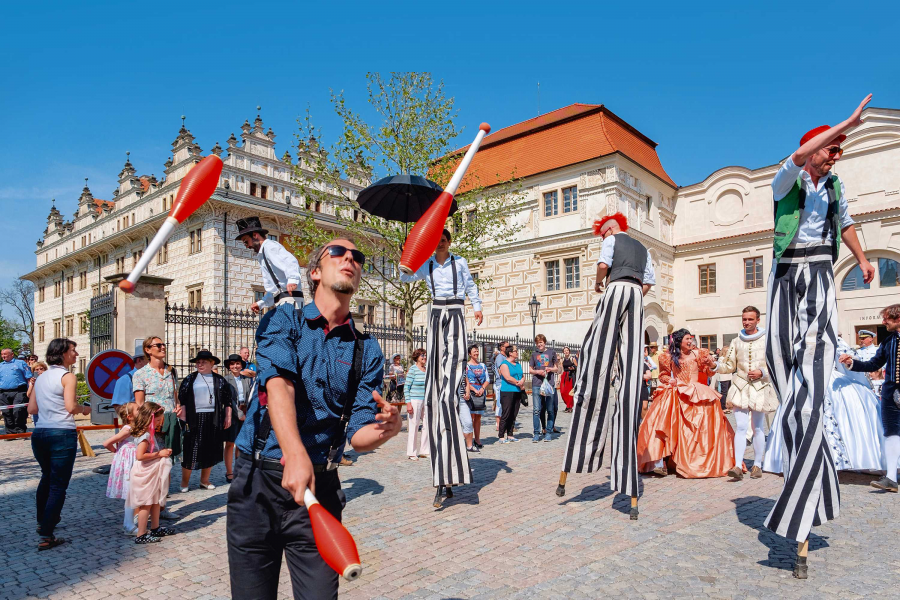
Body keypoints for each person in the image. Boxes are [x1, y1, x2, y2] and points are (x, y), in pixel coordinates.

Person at [228, 237, 401, 600]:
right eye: (338, 253)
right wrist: (294, 453)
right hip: (259, 482)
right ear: (316, 272)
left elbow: (358, 433)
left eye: (358, 256)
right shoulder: (285, 320)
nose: (350, 259)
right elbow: (279, 386)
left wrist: (386, 430)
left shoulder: (366, 349)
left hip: (320, 490)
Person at [764, 95, 875, 579]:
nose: (836, 155)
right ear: (812, 148)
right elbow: (795, 159)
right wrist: (847, 121)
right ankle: (806, 468)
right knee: (784, 383)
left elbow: (846, 224)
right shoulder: (786, 179)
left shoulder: (834, 185)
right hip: (786, 274)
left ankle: (803, 494)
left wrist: (866, 260)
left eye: (839, 149)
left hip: (820, 274)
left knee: (810, 393)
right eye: (831, 148)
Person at [557, 212, 655, 521]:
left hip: (616, 289)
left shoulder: (612, 240)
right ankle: (629, 485)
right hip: (637, 295)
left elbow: (602, 266)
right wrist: (635, 297)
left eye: (602, 234)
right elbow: (649, 280)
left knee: (595, 349)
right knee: (630, 358)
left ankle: (578, 458)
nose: (603, 238)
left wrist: (601, 284)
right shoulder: (643, 248)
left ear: (609, 229)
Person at [399, 228, 482, 506]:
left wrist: (478, 307)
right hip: (436, 313)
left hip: (457, 311)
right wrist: (405, 259)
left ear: (449, 241)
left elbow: (471, 286)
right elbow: (405, 277)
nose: (441, 242)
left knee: (447, 396)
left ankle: (449, 475)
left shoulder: (460, 262)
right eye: (437, 240)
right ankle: (443, 478)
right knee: (436, 400)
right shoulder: (428, 264)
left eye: (444, 239)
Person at [768, 336, 888, 474]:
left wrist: (846, 358)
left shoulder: (832, 337)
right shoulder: (797, 337)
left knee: (842, 415)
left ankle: (842, 459)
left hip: (830, 380)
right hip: (803, 380)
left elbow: (852, 357)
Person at [637, 329, 735, 478]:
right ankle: (660, 461)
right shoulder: (667, 356)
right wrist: (669, 380)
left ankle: (695, 460)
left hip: (696, 392)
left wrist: (710, 364)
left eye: (691, 338)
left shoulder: (698, 354)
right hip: (677, 391)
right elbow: (663, 375)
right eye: (687, 339)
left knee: (697, 427)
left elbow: (708, 373)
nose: (690, 341)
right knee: (662, 421)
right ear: (678, 341)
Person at [26, 338, 91, 550]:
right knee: (58, 484)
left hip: (40, 433)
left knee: (46, 478)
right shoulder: (68, 376)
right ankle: (47, 533)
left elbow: (32, 410)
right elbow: (71, 406)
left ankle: (41, 522)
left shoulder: (41, 377)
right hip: (61, 433)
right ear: (62, 353)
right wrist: (85, 409)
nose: (76, 354)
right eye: (73, 350)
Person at [840, 304, 900, 491]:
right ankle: (891, 477)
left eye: (887, 319)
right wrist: (851, 363)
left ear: (898, 318)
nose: (883, 322)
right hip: (890, 393)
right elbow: (873, 363)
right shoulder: (888, 341)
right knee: (891, 432)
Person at [716, 306, 778, 480]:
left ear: (758, 320)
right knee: (741, 427)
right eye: (744, 319)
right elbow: (729, 366)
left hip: (759, 387)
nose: (747, 322)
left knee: (758, 428)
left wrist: (762, 372)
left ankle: (757, 464)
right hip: (741, 387)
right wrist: (714, 366)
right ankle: (737, 465)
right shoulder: (737, 341)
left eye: (750, 319)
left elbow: (775, 363)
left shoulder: (767, 340)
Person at [131, 336, 180, 521]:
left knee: (167, 467)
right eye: (157, 345)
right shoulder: (141, 374)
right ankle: (140, 513)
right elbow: (140, 404)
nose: (162, 347)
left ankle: (161, 507)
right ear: (148, 350)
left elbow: (175, 397)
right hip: (153, 426)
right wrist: (146, 428)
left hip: (170, 424)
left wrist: (178, 406)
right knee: (151, 469)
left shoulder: (170, 371)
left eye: (163, 344)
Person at [177, 350, 233, 492]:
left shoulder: (219, 380)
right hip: (194, 418)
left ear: (211, 363)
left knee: (211, 449)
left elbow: (228, 401)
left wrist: (228, 417)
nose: (200, 364)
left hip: (213, 418)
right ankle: (184, 483)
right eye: (198, 362)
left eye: (203, 362)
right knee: (191, 450)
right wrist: (183, 419)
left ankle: (204, 480)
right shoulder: (190, 379)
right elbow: (182, 399)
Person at [128, 401, 175, 544]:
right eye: (159, 420)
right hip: (145, 472)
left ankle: (156, 527)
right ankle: (141, 533)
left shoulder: (149, 433)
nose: (161, 423)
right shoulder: (145, 436)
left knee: (155, 501)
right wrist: (159, 454)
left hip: (151, 471)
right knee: (146, 503)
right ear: (151, 419)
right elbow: (140, 456)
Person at [238, 216, 303, 316]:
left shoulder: (270, 246)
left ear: (255, 235)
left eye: (246, 241)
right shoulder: (263, 253)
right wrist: (261, 303)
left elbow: (291, 261)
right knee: (265, 326)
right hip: (283, 302)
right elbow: (274, 289)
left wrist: (292, 279)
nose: (246, 246)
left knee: (270, 329)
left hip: (290, 301)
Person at [103, 402, 138, 535]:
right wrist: (118, 452)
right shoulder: (128, 429)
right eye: (137, 410)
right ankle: (128, 524)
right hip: (128, 461)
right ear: (129, 416)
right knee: (130, 492)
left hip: (131, 460)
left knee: (133, 491)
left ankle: (129, 522)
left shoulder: (132, 427)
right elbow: (106, 443)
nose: (140, 411)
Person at [223, 353, 252, 482]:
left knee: (241, 444)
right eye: (232, 364)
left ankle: (239, 470)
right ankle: (229, 472)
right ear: (229, 366)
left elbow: (250, 396)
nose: (235, 366)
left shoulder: (246, 379)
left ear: (241, 365)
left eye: (237, 364)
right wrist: (239, 415)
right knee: (230, 443)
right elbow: (228, 400)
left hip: (245, 412)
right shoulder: (225, 379)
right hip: (232, 414)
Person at [530, 334, 559, 443]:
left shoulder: (551, 352)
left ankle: (548, 432)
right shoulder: (534, 354)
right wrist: (538, 371)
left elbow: (557, 368)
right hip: (537, 384)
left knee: (550, 409)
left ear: (544, 342)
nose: (539, 345)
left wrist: (550, 369)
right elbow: (530, 370)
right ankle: (536, 433)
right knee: (536, 410)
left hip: (549, 384)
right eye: (537, 343)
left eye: (541, 342)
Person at [497, 345, 525, 445]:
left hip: (517, 391)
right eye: (515, 351)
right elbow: (507, 377)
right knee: (506, 413)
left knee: (514, 413)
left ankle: (510, 434)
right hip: (507, 391)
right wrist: (518, 382)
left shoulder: (518, 364)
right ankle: (501, 436)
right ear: (510, 353)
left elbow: (522, 375)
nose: (517, 352)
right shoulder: (504, 364)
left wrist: (522, 381)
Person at [462, 344, 488, 451]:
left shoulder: (482, 365)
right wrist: (474, 389)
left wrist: (482, 388)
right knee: (470, 417)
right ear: (469, 354)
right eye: (474, 351)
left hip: (481, 393)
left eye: (477, 351)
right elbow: (465, 381)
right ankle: (469, 440)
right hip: (472, 393)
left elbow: (487, 379)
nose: (476, 353)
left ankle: (477, 439)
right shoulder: (466, 366)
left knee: (478, 417)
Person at [1, 347, 32, 434]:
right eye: (2, 354)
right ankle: (10, 432)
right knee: (6, 412)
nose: (3, 356)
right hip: (3, 392)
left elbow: (29, 377)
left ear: (12, 354)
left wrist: (29, 391)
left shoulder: (20, 363)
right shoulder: (1, 366)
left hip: (19, 391)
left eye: (5, 354)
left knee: (18, 411)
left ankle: (20, 430)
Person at [405, 348, 429, 460]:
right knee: (414, 425)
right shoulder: (413, 369)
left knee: (427, 424)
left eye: (425, 355)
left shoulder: (427, 370)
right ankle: (411, 452)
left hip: (426, 400)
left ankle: (424, 450)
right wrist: (408, 403)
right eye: (422, 356)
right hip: (415, 400)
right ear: (417, 358)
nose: (424, 357)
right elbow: (406, 387)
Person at [493, 341, 509, 430]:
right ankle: (498, 424)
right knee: (499, 403)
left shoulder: (505, 357)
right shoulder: (500, 357)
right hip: (500, 383)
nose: (508, 348)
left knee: (504, 404)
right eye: (507, 347)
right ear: (502, 347)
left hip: (505, 383)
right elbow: (500, 370)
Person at [26, 361, 48, 426]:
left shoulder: (49, 379)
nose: (39, 371)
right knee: (38, 425)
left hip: (48, 405)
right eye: (37, 370)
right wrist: (32, 384)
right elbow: (28, 395)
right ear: (33, 372)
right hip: (37, 406)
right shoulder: (33, 381)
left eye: (41, 369)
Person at [559, 347, 576, 412]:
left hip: (570, 376)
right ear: (563, 352)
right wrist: (559, 378)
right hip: (564, 376)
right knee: (562, 392)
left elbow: (577, 366)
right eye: (565, 351)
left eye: (567, 350)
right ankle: (568, 405)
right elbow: (561, 370)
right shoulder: (562, 360)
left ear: (569, 351)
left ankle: (569, 407)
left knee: (569, 392)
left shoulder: (572, 358)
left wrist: (572, 368)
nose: (566, 352)